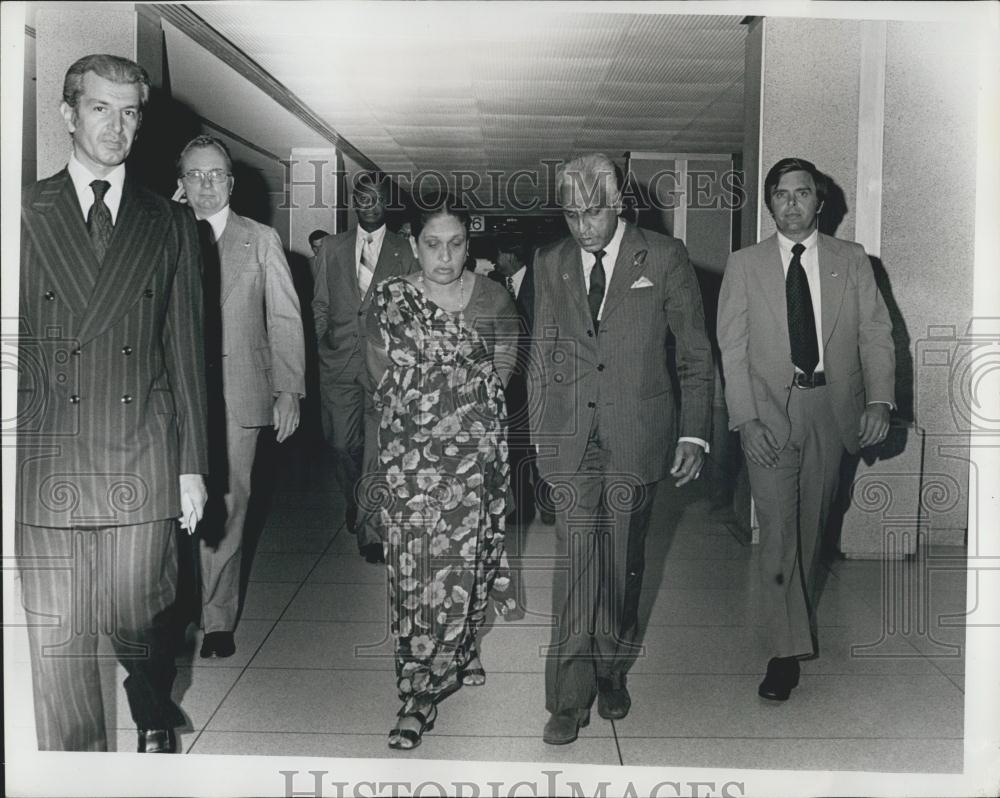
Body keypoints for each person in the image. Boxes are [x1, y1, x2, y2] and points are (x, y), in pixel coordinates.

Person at [16, 54, 208, 753]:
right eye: (100, 108)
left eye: (130, 112)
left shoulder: (170, 223)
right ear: (68, 113)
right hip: (47, 460)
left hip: (140, 449)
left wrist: (192, 465)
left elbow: (186, 354)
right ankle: (81, 774)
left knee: (141, 615)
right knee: (58, 645)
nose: (117, 126)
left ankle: (152, 699)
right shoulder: (23, 213)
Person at [530, 153, 714, 745]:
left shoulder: (664, 257)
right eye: (571, 214)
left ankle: (611, 668)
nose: (582, 226)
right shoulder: (551, 261)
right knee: (575, 563)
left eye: (593, 213)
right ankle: (566, 698)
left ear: (618, 204)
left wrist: (693, 431)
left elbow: (693, 353)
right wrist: (538, 434)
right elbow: (542, 353)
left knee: (620, 562)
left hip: (638, 435)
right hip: (571, 440)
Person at [717, 157, 894, 701]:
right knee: (777, 531)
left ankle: (789, 627)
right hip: (769, 410)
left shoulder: (853, 260)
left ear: (821, 202)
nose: (792, 202)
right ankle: (783, 651)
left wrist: (882, 400)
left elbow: (876, 335)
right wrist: (745, 419)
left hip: (830, 409)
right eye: (781, 194)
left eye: (803, 193)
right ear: (769, 203)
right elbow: (733, 347)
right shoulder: (744, 265)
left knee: (812, 528)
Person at [366, 197, 519, 750]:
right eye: (433, 244)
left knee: (463, 560)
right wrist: (426, 413)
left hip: (474, 453)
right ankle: (417, 685)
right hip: (410, 457)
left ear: (469, 245)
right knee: (413, 566)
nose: (445, 255)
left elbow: (507, 357)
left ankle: (459, 650)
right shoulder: (391, 299)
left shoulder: (494, 295)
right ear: (414, 245)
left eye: (456, 243)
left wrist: (477, 404)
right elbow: (378, 372)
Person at [175, 135, 305, 659]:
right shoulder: (162, 232)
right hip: (173, 395)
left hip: (239, 394)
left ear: (230, 183)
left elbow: (285, 318)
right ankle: (177, 604)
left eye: (215, 175)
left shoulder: (261, 239)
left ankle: (218, 617)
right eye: (194, 175)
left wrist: (289, 389)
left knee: (229, 507)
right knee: (172, 508)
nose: (205, 185)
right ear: (179, 183)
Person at [312, 172, 417, 564]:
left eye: (375, 198)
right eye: (361, 197)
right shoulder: (332, 248)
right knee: (343, 445)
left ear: (386, 201)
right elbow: (320, 304)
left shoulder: (404, 249)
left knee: (376, 451)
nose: (368, 204)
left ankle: (372, 531)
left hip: (384, 367)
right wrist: (323, 343)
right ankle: (356, 500)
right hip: (337, 363)